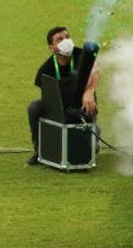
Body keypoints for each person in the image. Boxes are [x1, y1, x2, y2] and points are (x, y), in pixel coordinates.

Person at [27, 25, 99, 166]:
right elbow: (49, 96)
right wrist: (58, 111)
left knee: (90, 149)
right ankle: (39, 150)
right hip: (59, 105)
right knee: (34, 108)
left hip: (83, 103)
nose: (66, 41)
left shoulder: (82, 55)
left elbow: (95, 71)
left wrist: (89, 91)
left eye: (67, 37)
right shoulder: (46, 69)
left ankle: (93, 134)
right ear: (52, 47)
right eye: (60, 39)